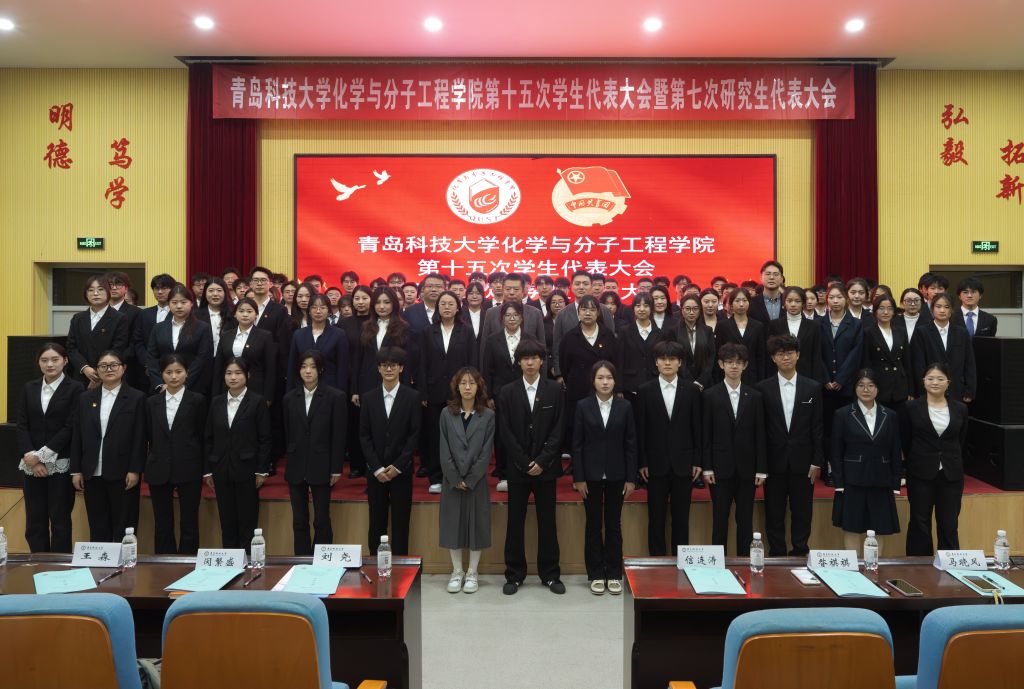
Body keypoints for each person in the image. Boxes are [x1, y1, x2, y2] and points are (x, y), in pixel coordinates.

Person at [499, 339, 565, 595]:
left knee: (547, 522)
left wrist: (543, 460)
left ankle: (550, 574)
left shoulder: (554, 390)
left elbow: (559, 428)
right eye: (525, 358)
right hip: (518, 468)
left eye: (534, 358)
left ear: (541, 361)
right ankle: (514, 574)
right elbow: (505, 431)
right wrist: (525, 461)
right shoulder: (507, 391)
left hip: (546, 469)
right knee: (515, 522)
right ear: (518, 362)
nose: (529, 362)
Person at [572, 361, 637, 595]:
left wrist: (631, 478)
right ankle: (596, 573)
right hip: (589, 476)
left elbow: (631, 444)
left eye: (609, 377)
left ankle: (614, 572)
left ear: (615, 380)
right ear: (593, 381)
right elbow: (577, 445)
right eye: (600, 378)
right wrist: (578, 478)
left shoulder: (625, 406)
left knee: (613, 525)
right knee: (592, 525)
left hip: (617, 474)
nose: (605, 382)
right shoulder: (582, 406)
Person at [757, 335, 824, 556]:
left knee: (803, 511)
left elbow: (818, 427)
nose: (785, 357)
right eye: (780, 354)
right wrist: (761, 465)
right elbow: (760, 431)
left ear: (798, 355)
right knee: (774, 511)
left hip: (803, 461)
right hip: (773, 461)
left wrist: (817, 460)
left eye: (789, 353)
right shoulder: (762, 389)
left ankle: (800, 552)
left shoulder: (812, 388)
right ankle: (777, 553)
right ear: (773, 358)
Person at [70, 350, 146, 542]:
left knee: (124, 525)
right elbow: (77, 436)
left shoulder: (136, 398)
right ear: (97, 370)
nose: (109, 369)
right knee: (98, 525)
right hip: (92, 471)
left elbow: (140, 437)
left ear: (124, 368)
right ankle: (101, 560)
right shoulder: (86, 398)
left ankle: (125, 561)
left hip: (123, 472)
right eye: (103, 366)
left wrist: (135, 469)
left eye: (114, 365)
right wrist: (76, 470)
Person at [16, 343, 84, 552]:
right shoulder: (29, 387)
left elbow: (71, 426)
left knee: (60, 520)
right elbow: (22, 425)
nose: (50, 364)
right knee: (34, 521)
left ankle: (58, 565)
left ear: (65, 361)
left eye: (55, 359)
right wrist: (31, 457)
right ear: (38, 363)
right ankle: (38, 563)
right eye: (44, 360)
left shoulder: (75, 388)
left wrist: (42, 456)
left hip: (60, 462)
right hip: (31, 464)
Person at [636, 340, 702, 555]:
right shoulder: (645, 391)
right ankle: (656, 563)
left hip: (684, 463)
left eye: (672, 359)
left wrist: (697, 460)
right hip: (655, 464)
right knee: (656, 518)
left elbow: (697, 428)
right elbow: (641, 429)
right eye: (663, 359)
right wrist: (642, 462)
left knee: (681, 519)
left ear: (680, 362)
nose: (667, 363)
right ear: (656, 362)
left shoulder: (691, 390)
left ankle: (681, 563)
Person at [702, 343, 767, 556]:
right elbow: (706, 434)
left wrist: (761, 469)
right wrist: (707, 467)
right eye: (729, 362)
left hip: (748, 469)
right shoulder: (710, 395)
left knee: (745, 519)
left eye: (738, 362)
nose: (734, 366)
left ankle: (745, 563)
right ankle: (717, 564)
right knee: (719, 519)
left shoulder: (755, 396)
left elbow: (760, 434)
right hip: (719, 469)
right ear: (721, 364)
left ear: (745, 365)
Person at [831, 368, 902, 555]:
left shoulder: (890, 415)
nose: (866, 389)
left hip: (881, 479)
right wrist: (838, 481)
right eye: (861, 385)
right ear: (855, 388)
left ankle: (873, 566)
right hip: (852, 480)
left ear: (878, 389)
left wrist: (896, 482)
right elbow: (835, 451)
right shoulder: (843, 414)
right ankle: (854, 566)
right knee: (852, 527)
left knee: (879, 527)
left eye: (871, 385)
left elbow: (895, 450)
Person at [204, 357, 272, 551]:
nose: (233, 377)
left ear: (247, 375)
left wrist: (261, 470)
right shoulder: (216, 402)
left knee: (247, 522)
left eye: (238, 373)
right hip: (221, 469)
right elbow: (208, 438)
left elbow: (265, 438)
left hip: (247, 470)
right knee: (227, 523)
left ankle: (247, 562)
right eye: (228, 373)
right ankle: (230, 561)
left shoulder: (257, 401)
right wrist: (208, 470)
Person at [900, 363, 969, 555]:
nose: (935, 382)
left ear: (948, 382)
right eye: (930, 378)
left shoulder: (960, 408)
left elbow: (961, 439)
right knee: (919, 522)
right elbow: (906, 439)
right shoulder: (911, 407)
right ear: (923, 382)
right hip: (920, 472)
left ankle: (949, 564)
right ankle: (919, 565)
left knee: (949, 523)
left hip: (951, 474)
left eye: (940, 379)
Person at [283, 350, 346, 555]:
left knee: (321, 519)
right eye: (303, 367)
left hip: (322, 463)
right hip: (296, 464)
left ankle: (322, 560)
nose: (308, 371)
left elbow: (339, 435)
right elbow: (287, 433)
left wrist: (336, 468)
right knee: (299, 519)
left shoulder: (335, 397)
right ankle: (301, 561)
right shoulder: (289, 398)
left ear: (321, 370)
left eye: (312, 367)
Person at [439, 367, 495, 594]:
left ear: (479, 386)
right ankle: (457, 571)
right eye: (463, 383)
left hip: (476, 481)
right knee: (452, 524)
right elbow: (444, 449)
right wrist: (454, 477)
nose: (468, 387)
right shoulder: (446, 414)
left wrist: (471, 478)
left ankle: (472, 572)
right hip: (451, 481)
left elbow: (486, 452)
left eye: (472, 383)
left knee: (476, 526)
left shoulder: (488, 415)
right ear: (457, 387)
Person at [360, 347, 421, 556]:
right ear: (378, 368)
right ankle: (374, 565)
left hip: (401, 471)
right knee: (376, 522)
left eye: (393, 365)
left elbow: (414, 436)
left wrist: (398, 466)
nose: (388, 369)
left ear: (401, 368)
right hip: (375, 472)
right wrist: (376, 468)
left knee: (401, 523)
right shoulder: (368, 398)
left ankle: (402, 567)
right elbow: (364, 436)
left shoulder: (412, 397)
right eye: (384, 365)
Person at [144, 354, 207, 554]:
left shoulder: (197, 400)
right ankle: (164, 563)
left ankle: (188, 563)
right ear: (161, 374)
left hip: (189, 466)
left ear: (187, 373)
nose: (173, 376)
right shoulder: (151, 402)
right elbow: (148, 435)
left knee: (189, 521)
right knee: (162, 522)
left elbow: (202, 436)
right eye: (168, 372)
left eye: (178, 371)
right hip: (158, 467)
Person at [419, 291, 478, 493]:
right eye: (442, 303)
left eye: (450, 303)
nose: (446, 307)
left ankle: (460, 474)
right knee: (435, 435)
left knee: (461, 435)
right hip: (434, 391)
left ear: (458, 307)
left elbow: (472, 362)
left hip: (460, 391)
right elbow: (422, 363)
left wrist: (471, 388)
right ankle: (436, 477)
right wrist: (423, 392)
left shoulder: (466, 331)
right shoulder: (428, 331)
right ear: (437, 307)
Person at [481, 300, 541, 490]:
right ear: (502, 318)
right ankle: (503, 473)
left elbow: (537, 365)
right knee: (502, 433)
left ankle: (525, 467)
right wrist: (488, 396)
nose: (512, 318)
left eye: (515, 315)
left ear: (522, 318)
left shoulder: (530, 338)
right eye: (508, 315)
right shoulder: (493, 340)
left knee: (525, 430)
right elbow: (487, 369)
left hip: (526, 390)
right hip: (500, 394)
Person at [559, 294, 620, 462]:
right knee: (577, 428)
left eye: (592, 310)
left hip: (604, 390)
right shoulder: (570, 337)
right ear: (578, 312)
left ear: (598, 312)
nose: (587, 313)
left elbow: (615, 362)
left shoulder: (608, 335)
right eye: (584, 309)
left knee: (602, 426)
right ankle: (578, 464)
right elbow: (564, 366)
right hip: (577, 389)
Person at [820, 283, 864, 484]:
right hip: (824, 388)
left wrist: (840, 379)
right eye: (832, 297)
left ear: (846, 299)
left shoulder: (855, 324)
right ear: (826, 299)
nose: (835, 301)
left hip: (846, 387)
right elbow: (816, 354)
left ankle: (846, 469)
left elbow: (856, 354)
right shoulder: (818, 323)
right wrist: (826, 379)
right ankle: (829, 470)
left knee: (847, 429)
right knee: (827, 431)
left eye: (839, 297)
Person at [351, 287, 418, 402]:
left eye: (387, 302)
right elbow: (358, 358)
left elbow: (407, 361)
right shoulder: (366, 326)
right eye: (378, 302)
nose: (382, 306)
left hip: (394, 383)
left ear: (394, 304)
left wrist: (405, 387)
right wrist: (355, 389)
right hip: (367, 383)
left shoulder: (403, 327)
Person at [146, 284, 214, 395]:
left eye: (183, 302)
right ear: (169, 304)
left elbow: (202, 359)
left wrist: (183, 384)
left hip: (192, 387)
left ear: (191, 303)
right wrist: (160, 383)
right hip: (163, 388)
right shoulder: (158, 328)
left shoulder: (203, 328)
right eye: (174, 302)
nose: (178, 306)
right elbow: (152, 357)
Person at [66, 274, 130, 388]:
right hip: (81, 376)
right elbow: (71, 348)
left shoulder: (119, 318)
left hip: (109, 375)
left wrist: (99, 372)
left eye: (100, 289)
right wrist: (85, 368)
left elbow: (118, 348)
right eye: (91, 290)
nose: (95, 293)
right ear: (86, 294)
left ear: (108, 292)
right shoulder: (78, 318)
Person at [550, 270, 615, 381]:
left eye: (585, 284)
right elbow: (557, 345)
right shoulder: (562, 314)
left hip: (602, 374)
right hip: (574, 374)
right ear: (571, 286)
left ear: (591, 286)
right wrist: (559, 374)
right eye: (577, 284)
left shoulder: (604, 310)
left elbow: (611, 341)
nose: (581, 287)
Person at [910, 293, 976, 403]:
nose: (942, 310)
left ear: (952, 310)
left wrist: (970, 390)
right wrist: (922, 389)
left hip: (957, 389)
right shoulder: (921, 332)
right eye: (938, 306)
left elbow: (969, 363)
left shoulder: (962, 332)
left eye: (946, 307)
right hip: (930, 389)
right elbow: (918, 365)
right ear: (932, 309)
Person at [214, 297, 277, 400]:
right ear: (235, 314)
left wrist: (268, 396)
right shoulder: (226, 335)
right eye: (241, 311)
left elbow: (270, 368)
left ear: (256, 315)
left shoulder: (265, 336)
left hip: (255, 388)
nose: (245, 314)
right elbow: (218, 366)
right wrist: (216, 394)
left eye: (249, 311)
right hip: (228, 388)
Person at [341, 285, 373, 478]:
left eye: (364, 298)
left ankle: (371, 463)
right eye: (357, 299)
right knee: (354, 423)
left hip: (370, 377)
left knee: (371, 423)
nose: (360, 302)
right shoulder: (345, 323)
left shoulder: (375, 322)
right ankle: (356, 464)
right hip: (349, 377)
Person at [287, 294, 349, 392]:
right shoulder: (298, 335)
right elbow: (292, 366)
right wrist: (290, 391)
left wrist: (341, 393)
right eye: (314, 307)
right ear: (309, 311)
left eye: (322, 308)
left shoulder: (339, 334)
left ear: (329, 311)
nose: (318, 311)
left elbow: (342, 367)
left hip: (330, 388)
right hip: (302, 388)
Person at [861, 294, 911, 409]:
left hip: (900, 385)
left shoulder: (901, 331)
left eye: (889, 308)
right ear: (875, 311)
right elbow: (866, 362)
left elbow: (907, 362)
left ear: (894, 312)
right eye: (881, 308)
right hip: (879, 384)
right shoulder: (868, 332)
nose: (885, 312)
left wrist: (911, 389)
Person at [768, 286, 824, 382]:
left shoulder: (814, 326)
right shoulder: (775, 325)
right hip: (780, 375)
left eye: (797, 301)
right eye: (789, 301)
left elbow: (817, 355)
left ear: (803, 303)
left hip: (807, 376)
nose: (793, 304)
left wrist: (817, 381)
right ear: (784, 302)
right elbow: (772, 353)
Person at [617, 293, 664, 405]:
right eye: (638, 306)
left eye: (646, 306)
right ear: (633, 309)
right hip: (630, 386)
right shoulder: (624, 331)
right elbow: (619, 360)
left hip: (654, 384)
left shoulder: (660, 333)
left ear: (651, 309)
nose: (641, 309)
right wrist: (618, 388)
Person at [715, 288, 766, 384]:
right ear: (731, 304)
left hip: (752, 375)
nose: (741, 304)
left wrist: (761, 379)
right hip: (729, 374)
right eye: (737, 301)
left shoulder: (758, 326)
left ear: (749, 303)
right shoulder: (722, 326)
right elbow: (718, 353)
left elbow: (761, 355)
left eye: (744, 300)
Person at [675, 294, 716, 391]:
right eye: (687, 309)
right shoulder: (673, 332)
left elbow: (711, 357)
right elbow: (675, 358)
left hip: (705, 383)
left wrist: (701, 381)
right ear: (682, 310)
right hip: (682, 383)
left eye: (695, 309)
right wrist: (690, 382)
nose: (691, 312)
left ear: (700, 310)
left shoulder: (707, 331)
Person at [196, 277, 235, 355]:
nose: (215, 294)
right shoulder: (196, 316)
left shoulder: (234, 314)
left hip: (227, 358)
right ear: (205, 293)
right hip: (204, 358)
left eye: (219, 290)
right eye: (211, 291)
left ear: (225, 293)